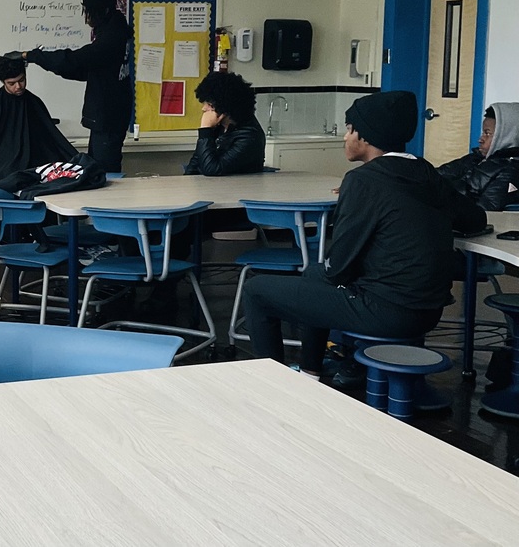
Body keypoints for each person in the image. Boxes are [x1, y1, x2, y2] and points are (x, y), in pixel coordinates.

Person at [242, 90, 455, 377]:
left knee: (257, 290)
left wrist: (355, 196)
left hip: (386, 310)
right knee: (314, 273)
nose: (345, 137)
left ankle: (274, 386)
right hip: (429, 311)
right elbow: (474, 217)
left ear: (364, 137)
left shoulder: (362, 180)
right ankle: (310, 372)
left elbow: (339, 267)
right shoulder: (425, 172)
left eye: (349, 129)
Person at [15, 0, 132, 172]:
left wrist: (32, 56)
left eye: (89, 12)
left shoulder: (112, 37)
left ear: (102, 10)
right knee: (97, 171)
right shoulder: (118, 29)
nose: (86, 18)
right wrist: (58, 68)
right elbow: (86, 70)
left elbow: (76, 60)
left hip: (108, 120)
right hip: (109, 118)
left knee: (105, 175)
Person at [0, 55, 78, 188]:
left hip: (35, 167)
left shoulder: (34, 103)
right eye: (11, 83)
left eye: (22, 80)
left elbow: (51, 138)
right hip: (3, 171)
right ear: (3, 82)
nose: (18, 86)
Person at [438, 103, 519, 227]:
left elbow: (485, 211)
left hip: (462, 227)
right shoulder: (475, 158)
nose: (480, 139)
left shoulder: (511, 170)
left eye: (487, 133)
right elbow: (435, 174)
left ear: (505, 136)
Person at [183, 71, 265, 176]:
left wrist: (205, 131)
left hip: (238, 190)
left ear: (225, 107)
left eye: (209, 104)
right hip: (214, 188)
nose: (204, 109)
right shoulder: (220, 127)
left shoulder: (249, 136)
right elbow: (196, 162)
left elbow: (213, 170)